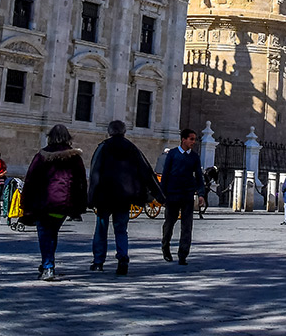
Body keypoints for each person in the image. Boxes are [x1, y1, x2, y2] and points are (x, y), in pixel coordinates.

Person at [88, 120, 163, 276]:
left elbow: (95, 173)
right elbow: (146, 172)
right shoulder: (132, 148)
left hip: (105, 195)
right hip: (124, 196)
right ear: (124, 132)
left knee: (101, 228)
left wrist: (90, 197)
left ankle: (98, 262)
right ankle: (123, 259)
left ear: (109, 132)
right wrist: (159, 195)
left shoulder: (103, 148)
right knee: (121, 230)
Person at [22, 125, 88, 282]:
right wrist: (80, 204)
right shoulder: (75, 157)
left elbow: (30, 179)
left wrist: (26, 202)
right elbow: (81, 182)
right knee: (52, 232)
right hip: (64, 203)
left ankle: (48, 266)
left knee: (45, 233)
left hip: (43, 201)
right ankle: (47, 262)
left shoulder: (42, 156)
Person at [159, 128, 206, 265]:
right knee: (169, 223)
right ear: (183, 139)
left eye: (194, 139)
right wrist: (163, 195)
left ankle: (183, 254)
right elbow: (165, 174)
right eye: (191, 139)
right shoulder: (173, 154)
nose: (193, 142)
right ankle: (165, 247)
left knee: (187, 226)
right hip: (173, 194)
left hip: (187, 195)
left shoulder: (194, 157)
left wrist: (201, 193)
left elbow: (198, 176)